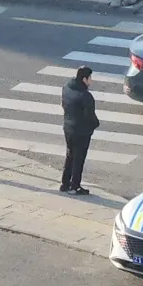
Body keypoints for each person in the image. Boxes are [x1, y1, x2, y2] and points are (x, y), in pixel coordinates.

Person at [60, 66, 100, 196]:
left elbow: (63, 104)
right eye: (90, 78)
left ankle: (65, 183)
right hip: (81, 131)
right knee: (79, 159)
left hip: (68, 128)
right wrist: (95, 125)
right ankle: (75, 186)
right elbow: (90, 116)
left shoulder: (66, 88)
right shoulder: (85, 96)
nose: (91, 81)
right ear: (84, 79)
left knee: (70, 155)